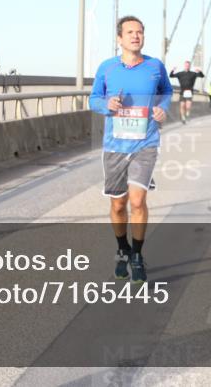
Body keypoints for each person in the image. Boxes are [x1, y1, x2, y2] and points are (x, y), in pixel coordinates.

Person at [90, 16, 172, 285]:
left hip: (145, 143)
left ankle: (136, 254)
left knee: (137, 202)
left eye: (139, 32)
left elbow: (167, 92)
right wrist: (107, 105)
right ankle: (121, 249)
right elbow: (94, 99)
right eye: (130, 32)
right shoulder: (107, 68)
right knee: (118, 205)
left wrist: (163, 108)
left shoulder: (155, 67)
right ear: (119, 39)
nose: (135, 36)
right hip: (115, 145)